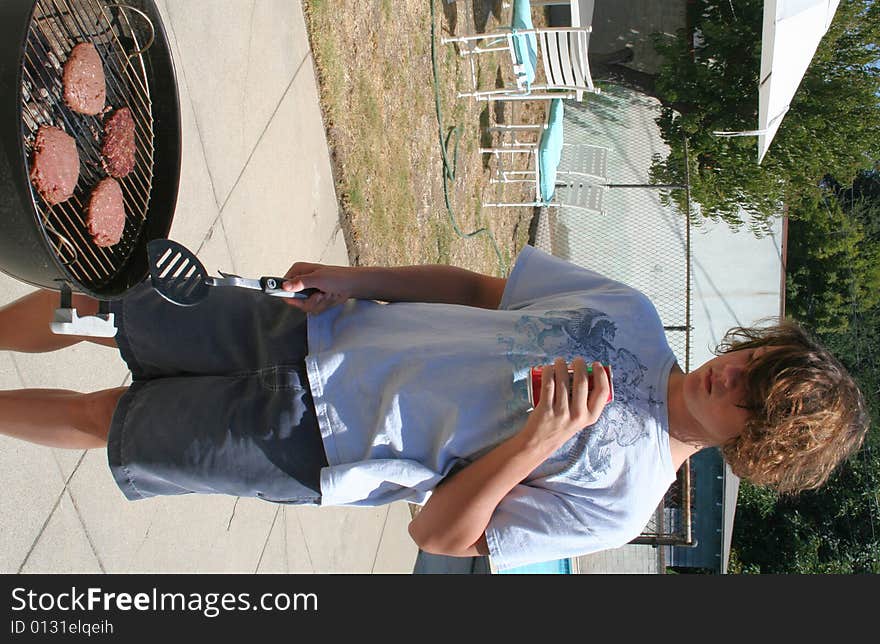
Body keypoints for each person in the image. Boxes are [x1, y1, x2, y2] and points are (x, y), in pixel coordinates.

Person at [0, 246, 869, 570]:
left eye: (755, 397)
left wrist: (538, 441)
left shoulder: (626, 502)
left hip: (315, 446)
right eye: (758, 359)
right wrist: (356, 278)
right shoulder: (634, 315)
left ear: (753, 447)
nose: (737, 374)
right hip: (321, 333)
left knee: (104, 422)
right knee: (105, 307)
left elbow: (440, 537)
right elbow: (477, 288)